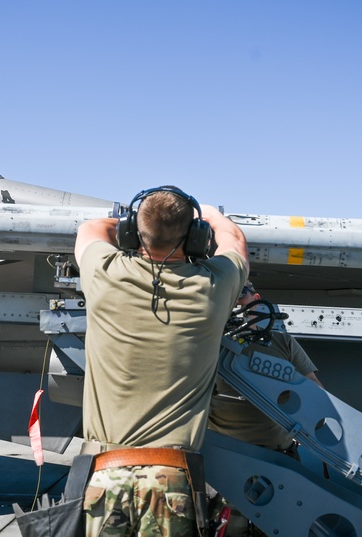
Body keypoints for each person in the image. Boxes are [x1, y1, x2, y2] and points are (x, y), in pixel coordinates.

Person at [74, 186, 249, 537]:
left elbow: (90, 228)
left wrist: (131, 221)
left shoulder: (105, 273)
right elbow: (233, 238)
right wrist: (210, 216)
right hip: (172, 483)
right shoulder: (214, 285)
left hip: (106, 478)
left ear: (131, 233)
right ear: (196, 237)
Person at [207, 282, 323, 537]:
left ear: (256, 299)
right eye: (230, 296)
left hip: (280, 461)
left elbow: (316, 395)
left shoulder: (283, 343)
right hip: (229, 465)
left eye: (242, 293)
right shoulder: (208, 346)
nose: (237, 301)